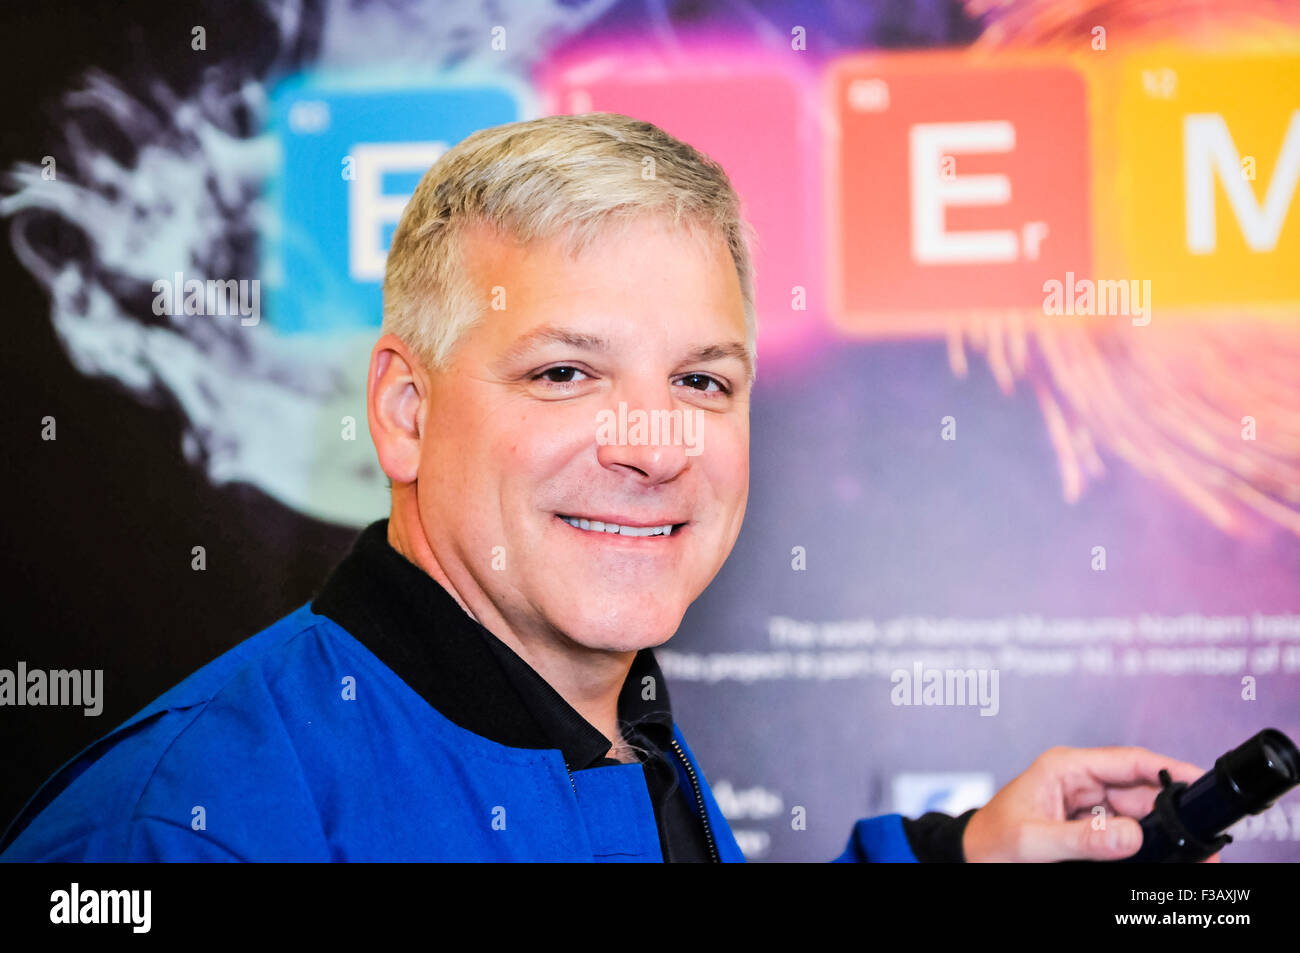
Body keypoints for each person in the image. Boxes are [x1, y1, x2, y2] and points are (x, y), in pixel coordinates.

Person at [0, 113, 1213, 862]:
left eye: (700, 379)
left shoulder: (615, 734)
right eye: (565, 372)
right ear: (406, 412)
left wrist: (962, 862)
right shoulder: (176, 829)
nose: (651, 444)